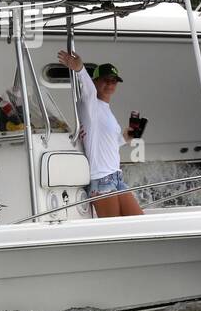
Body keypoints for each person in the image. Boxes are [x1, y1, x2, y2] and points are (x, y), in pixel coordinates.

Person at [57, 50, 144, 218]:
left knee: (140, 222)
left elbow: (106, 143)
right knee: (115, 233)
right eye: (106, 80)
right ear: (95, 81)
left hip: (116, 178)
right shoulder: (90, 105)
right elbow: (88, 90)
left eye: (114, 81)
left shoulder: (106, 110)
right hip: (101, 180)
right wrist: (80, 69)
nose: (110, 84)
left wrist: (124, 138)